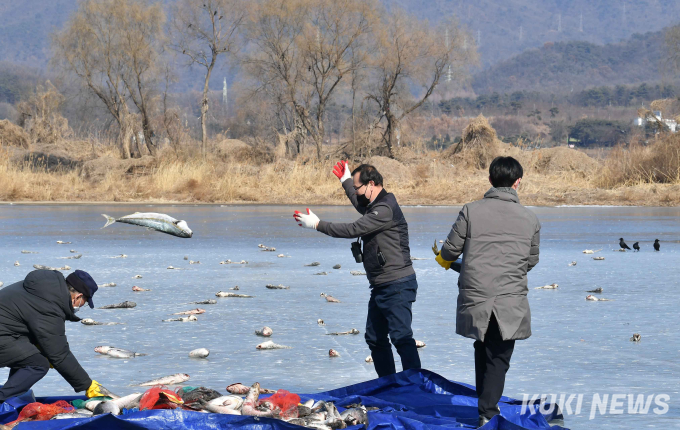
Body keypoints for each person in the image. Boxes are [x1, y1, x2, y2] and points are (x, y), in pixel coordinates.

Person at [433, 156, 540, 427]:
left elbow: (448, 252)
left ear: (490, 180)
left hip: (476, 296)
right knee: (499, 355)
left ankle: (485, 407)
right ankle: (488, 412)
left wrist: (459, 261)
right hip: (510, 298)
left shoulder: (470, 210)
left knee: (482, 347)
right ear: (518, 183)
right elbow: (530, 261)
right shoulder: (530, 219)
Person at [293, 161, 421, 377]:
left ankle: (416, 387)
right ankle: (388, 385)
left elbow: (353, 229)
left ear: (371, 184)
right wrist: (345, 182)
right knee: (375, 337)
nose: (356, 192)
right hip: (381, 285)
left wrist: (317, 224)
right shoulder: (374, 204)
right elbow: (359, 202)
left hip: (397, 284)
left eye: (358, 187)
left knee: (401, 337)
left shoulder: (385, 208)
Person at [0, 269, 110, 403]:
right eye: (85, 302)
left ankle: (10, 399)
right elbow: (60, 354)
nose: (82, 305)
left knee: (29, 356)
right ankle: (3, 399)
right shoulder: (50, 306)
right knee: (38, 364)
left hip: (6, 332)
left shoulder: (45, 289)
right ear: (78, 297)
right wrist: (87, 385)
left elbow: (27, 325)